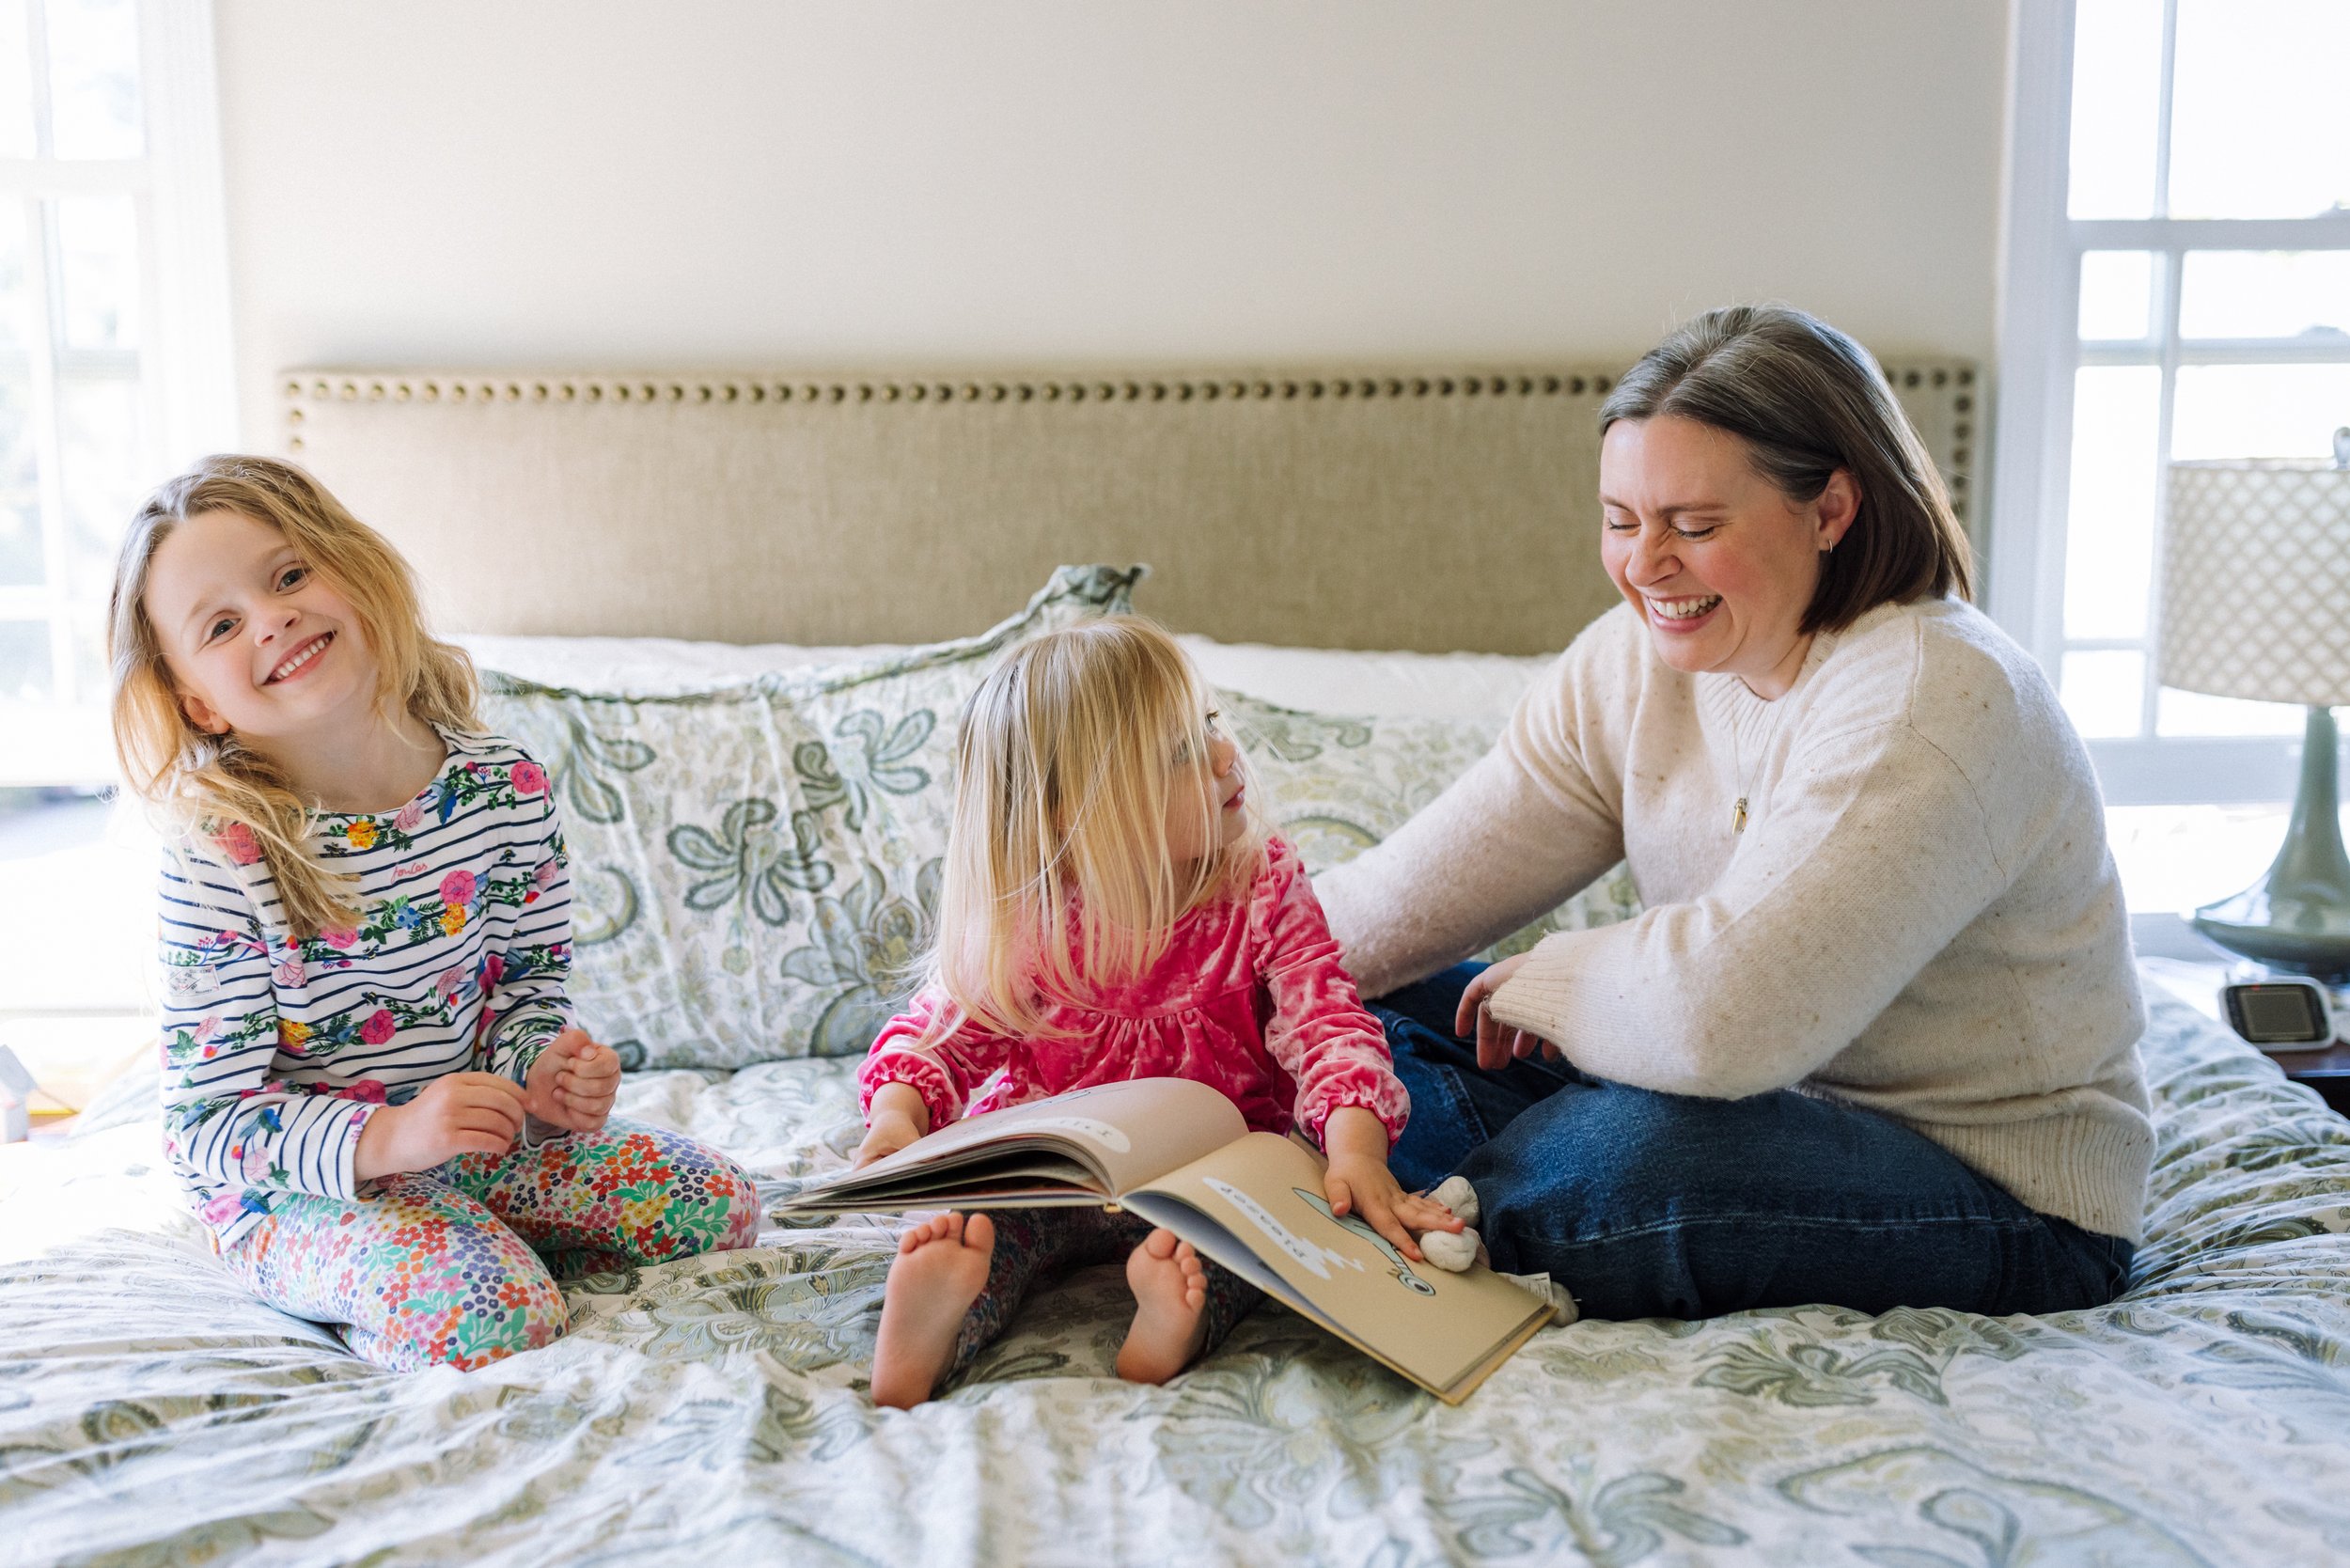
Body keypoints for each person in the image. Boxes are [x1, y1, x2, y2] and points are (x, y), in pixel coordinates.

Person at [1315, 305, 2153, 1322]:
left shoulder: (1934, 698)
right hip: (1731, 1107)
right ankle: (1398, 1194)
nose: (1644, 566)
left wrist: (1554, 978)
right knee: (1358, 1006)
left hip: (1992, 1195)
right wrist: (1156, 983)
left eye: (1694, 527)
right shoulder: (1634, 665)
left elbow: (1723, 1025)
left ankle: (1360, 1212)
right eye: (1620, 521)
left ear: (1829, 510)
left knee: (1626, 1153)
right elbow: (1394, 903)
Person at [110, 455, 762, 1372]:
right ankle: (382, 1267)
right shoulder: (220, 852)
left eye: (290, 574)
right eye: (221, 625)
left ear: (355, 571)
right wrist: (390, 1140)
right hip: (296, 1186)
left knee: (724, 1206)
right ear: (198, 704)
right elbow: (209, 1123)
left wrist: (544, 1076)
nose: (273, 617)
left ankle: (465, 1228)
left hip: (475, 1143)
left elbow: (527, 988)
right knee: (504, 1321)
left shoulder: (505, 789)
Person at [854, 619, 1457, 1407]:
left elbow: (1327, 1023)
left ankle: (1165, 1327)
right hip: (1061, 1180)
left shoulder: (1261, 884)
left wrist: (1356, 1151)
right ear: (1074, 812)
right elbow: (941, 1034)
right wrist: (897, 1120)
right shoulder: (1034, 921)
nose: (1222, 753)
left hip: (1213, 1178)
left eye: (1206, 723)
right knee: (983, 1226)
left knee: (1248, 1250)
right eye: (1179, 752)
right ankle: (933, 1331)